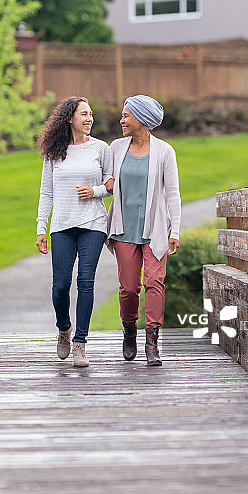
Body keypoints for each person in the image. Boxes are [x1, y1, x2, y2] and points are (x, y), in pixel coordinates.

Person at [36, 97, 114, 368]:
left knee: (86, 282)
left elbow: (112, 185)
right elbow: (47, 192)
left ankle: (80, 344)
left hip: (93, 223)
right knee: (60, 286)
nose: (89, 118)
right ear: (70, 118)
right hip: (62, 226)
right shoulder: (54, 152)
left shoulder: (101, 149)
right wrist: (40, 227)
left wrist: (95, 191)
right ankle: (63, 329)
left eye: (91, 114)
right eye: (84, 114)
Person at [107, 95, 181, 366]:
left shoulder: (164, 151)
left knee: (154, 282)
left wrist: (175, 230)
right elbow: (105, 181)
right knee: (128, 288)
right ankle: (129, 330)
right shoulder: (116, 148)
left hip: (156, 231)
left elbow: (173, 194)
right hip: (124, 229)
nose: (122, 120)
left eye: (126, 115)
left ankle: (152, 343)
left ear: (141, 119)